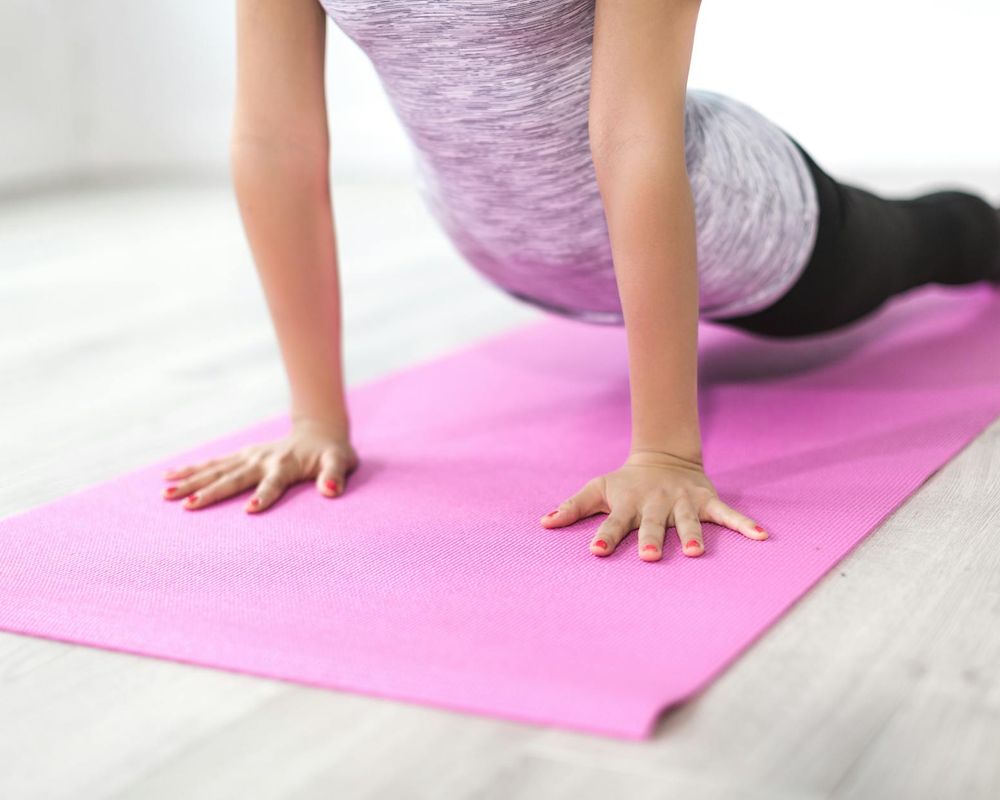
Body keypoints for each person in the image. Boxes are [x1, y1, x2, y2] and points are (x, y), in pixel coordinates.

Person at [161, 0, 1000, 562]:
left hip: (739, 228)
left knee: (939, 237)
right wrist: (315, 419)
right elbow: (276, 140)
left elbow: (635, 135)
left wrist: (666, 451)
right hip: (512, 250)